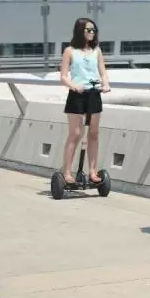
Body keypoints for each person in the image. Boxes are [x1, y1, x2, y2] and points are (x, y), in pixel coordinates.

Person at [59, 17, 111, 184]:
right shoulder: (70, 51)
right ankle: (67, 172)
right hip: (77, 94)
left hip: (94, 93)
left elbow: (103, 72)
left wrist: (106, 84)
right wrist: (74, 86)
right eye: (88, 30)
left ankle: (93, 172)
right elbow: (63, 76)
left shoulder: (97, 51)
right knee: (75, 134)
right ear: (80, 31)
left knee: (94, 134)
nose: (91, 33)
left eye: (93, 30)